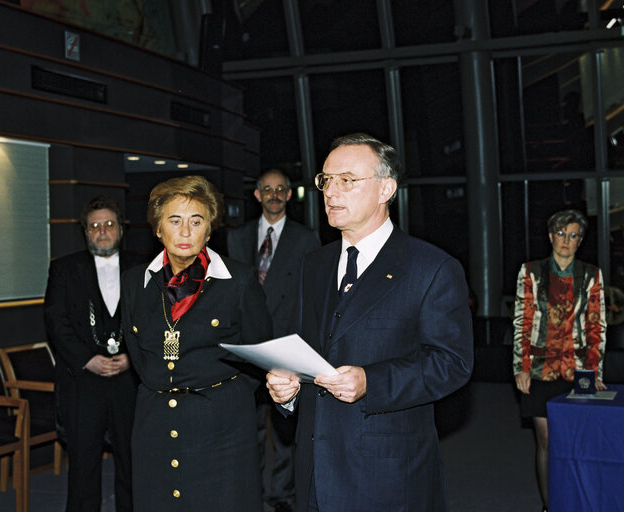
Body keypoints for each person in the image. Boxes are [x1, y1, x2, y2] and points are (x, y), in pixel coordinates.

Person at [266, 133, 474, 512]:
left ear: (386, 189)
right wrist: (288, 390)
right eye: (326, 180)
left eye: (347, 180)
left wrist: (371, 382)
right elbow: (305, 349)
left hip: (388, 475)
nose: (331, 192)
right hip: (313, 473)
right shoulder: (314, 264)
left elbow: (451, 363)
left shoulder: (431, 268)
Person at [121, 175, 272, 511]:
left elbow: (259, 355)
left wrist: (220, 396)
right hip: (154, 427)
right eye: (174, 220)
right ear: (158, 229)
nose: (185, 231)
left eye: (196, 221)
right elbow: (137, 350)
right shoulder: (134, 282)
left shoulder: (240, 281)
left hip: (221, 428)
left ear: (209, 230)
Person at [227, 169, 320, 512]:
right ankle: (249, 492)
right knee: (246, 428)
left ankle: (281, 495)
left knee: (285, 428)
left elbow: (311, 294)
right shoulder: (237, 238)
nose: (275, 194)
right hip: (248, 347)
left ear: (289, 194)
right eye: (268, 189)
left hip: (286, 345)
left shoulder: (306, 238)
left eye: (281, 189)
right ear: (257, 195)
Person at [44, 195, 142, 512]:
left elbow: (155, 323)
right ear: (85, 232)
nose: (102, 231)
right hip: (83, 382)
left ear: (121, 229)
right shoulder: (63, 270)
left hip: (131, 382)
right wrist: (88, 360)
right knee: (83, 467)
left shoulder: (143, 269)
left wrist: (132, 357)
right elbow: (56, 324)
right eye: (94, 226)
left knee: (133, 462)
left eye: (109, 224)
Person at [512, 209, 606, 512]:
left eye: (574, 235)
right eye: (562, 233)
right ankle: (550, 505)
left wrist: (595, 371)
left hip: (577, 370)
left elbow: (596, 326)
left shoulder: (591, 275)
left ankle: (579, 500)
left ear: (580, 241)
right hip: (539, 369)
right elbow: (522, 322)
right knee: (547, 440)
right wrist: (520, 367)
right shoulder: (531, 272)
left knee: (576, 442)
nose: (567, 240)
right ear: (552, 236)